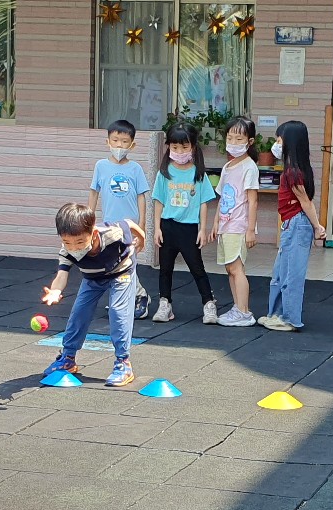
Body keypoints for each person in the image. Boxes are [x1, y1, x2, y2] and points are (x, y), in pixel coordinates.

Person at [40, 203, 144, 388]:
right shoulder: (67, 251)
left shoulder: (111, 233)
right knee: (79, 312)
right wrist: (55, 291)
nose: (74, 248)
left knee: (118, 311)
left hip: (121, 272)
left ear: (93, 233)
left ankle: (123, 363)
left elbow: (129, 224)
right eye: (67, 242)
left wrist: (141, 239)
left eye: (80, 242)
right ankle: (68, 358)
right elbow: (61, 275)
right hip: (93, 277)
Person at [260, 120, 326, 332]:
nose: (276, 144)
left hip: (297, 224)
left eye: (279, 140)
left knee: (291, 274)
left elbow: (305, 202)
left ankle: (289, 318)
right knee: (280, 272)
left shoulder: (293, 172)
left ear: (290, 142)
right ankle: (276, 314)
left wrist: (317, 226)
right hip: (291, 224)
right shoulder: (293, 170)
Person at [151, 122, 218, 324]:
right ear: (169, 147)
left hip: (189, 228)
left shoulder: (198, 173)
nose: (179, 152)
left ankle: (209, 304)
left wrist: (202, 229)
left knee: (197, 268)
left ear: (193, 147)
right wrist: (157, 228)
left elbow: (204, 203)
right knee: (165, 269)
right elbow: (158, 201)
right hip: (168, 226)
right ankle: (165, 303)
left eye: (184, 147)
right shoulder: (164, 172)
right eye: (175, 147)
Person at [89, 118, 151, 319]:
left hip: (129, 225)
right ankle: (126, 297)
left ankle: (139, 295)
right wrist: (89, 219)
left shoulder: (135, 169)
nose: (119, 146)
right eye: (115, 140)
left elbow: (141, 196)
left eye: (124, 142)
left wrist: (141, 224)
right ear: (107, 141)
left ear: (132, 145)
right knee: (113, 262)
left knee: (127, 261)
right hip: (108, 225)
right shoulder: (101, 166)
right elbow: (94, 192)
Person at [211, 116, 260, 326]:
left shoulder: (249, 167)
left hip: (238, 226)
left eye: (239, 139)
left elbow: (253, 200)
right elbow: (222, 197)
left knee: (237, 268)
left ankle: (244, 311)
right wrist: (215, 223)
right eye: (230, 138)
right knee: (230, 269)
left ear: (250, 141)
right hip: (226, 225)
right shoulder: (228, 166)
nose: (233, 143)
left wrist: (250, 230)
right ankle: (238, 307)